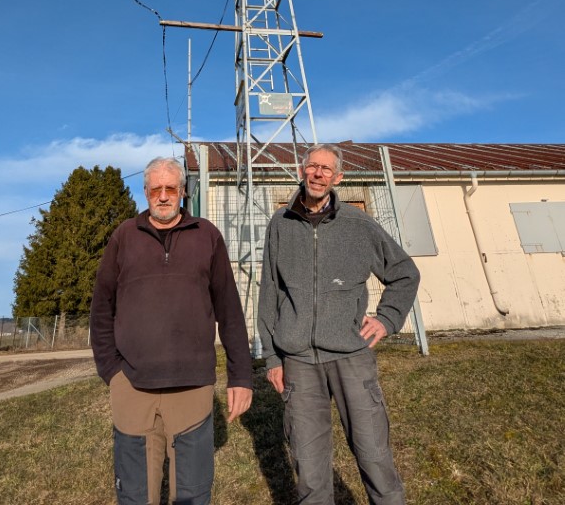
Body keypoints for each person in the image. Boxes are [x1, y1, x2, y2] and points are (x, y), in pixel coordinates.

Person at [258, 143, 420, 505]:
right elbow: (269, 290)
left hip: (351, 355)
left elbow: (405, 274)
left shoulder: (359, 225)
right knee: (310, 468)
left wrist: (387, 319)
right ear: (302, 170)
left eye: (326, 169)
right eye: (312, 166)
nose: (317, 174)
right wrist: (272, 357)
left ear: (338, 178)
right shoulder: (280, 224)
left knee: (374, 456)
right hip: (297, 361)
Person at [91, 156, 253, 505]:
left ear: (182, 192)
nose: (163, 196)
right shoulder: (124, 236)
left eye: (170, 189)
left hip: (193, 389)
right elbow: (101, 307)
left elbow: (229, 309)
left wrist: (240, 376)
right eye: (155, 189)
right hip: (133, 388)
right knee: (135, 496)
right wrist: (112, 371)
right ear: (145, 191)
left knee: (193, 496)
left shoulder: (206, 235)